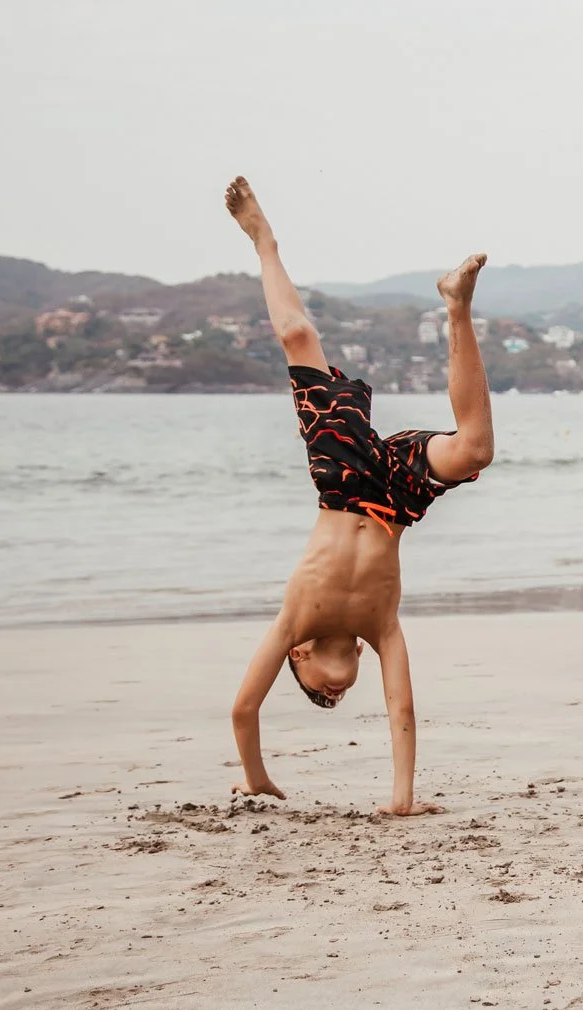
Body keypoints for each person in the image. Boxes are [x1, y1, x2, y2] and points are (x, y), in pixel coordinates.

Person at [222, 176, 494, 816]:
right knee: (475, 450)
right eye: (336, 701)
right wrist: (402, 800)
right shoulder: (381, 629)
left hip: (342, 482)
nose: (333, 695)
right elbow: (401, 705)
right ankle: (456, 307)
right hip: (395, 500)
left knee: (298, 341)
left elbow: (242, 707)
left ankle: (263, 239)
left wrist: (255, 775)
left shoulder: (296, 624)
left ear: (300, 657)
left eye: (319, 692)